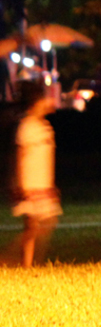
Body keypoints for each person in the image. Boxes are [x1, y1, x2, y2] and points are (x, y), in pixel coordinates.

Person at [7, 79, 61, 267]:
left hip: (43, 182)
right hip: (30, 183)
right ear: (33, 105)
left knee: (47, 223)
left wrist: (51, 184)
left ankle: (25, 261)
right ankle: (22, 261)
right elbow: (20, 157)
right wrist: (20, 184)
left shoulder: (45, 127)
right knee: (32, 225)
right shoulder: (27, 127)